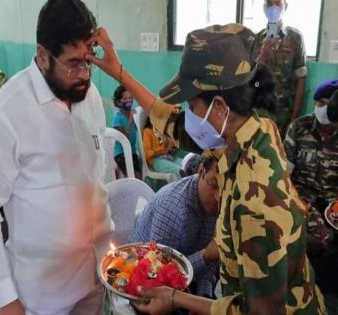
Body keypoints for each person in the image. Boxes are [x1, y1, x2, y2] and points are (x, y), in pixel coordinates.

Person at [87, 23, 326, 314]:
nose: (188, 115)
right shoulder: (255, 130)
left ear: (222, 107)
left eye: (192, 105)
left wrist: (175, 298)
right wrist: (119, 72)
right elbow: (174, 125)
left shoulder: (255, 204)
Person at [0, 1, 112, 314]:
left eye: (88, 61)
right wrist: (6, 299)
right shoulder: (3, 116)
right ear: (43, 55)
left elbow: (98, 178)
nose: (84, 74)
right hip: (44, 296)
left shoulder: (89, 98)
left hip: (97, 274)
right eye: (73, 63)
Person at [130, 155, 219, 298]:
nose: (218, 197)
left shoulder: (218, 202)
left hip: (184, 278)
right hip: (146, 283)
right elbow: (159, 274)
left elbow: (209, 264)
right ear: (201, 172)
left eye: (226, 188)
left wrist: (204, 296)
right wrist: (205, 255)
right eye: (214, 186)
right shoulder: (173, 207)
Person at [284, 79, 338, 314]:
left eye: (326, 103)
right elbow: (284, 178)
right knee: (307, 238)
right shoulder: (299, 127)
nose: (321, 108)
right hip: (299, 199)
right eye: (318, 102)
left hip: (333, 206)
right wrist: (304, 209)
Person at [255, 0, 307, 137]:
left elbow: (301, 80)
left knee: (279, 155)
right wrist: (262, 57)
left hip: (283, 113)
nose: (273, 8)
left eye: (278, 3)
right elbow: (252, 81)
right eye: (269, 4)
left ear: (285, 7)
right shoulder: (256, 39)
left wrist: (294, 118)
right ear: (264, 8)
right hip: (257, 112)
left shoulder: (295, 38)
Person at [112, 85, 142, 178]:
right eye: (125, 99)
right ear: (118, 102)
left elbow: (140, 132)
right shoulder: (117, 119)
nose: (129, 101)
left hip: (132, 151)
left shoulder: (133, 115)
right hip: (121, 153)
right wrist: (130, 120)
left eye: (130, 98)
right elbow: (125, 139)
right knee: (133, 177)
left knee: (139, 176)